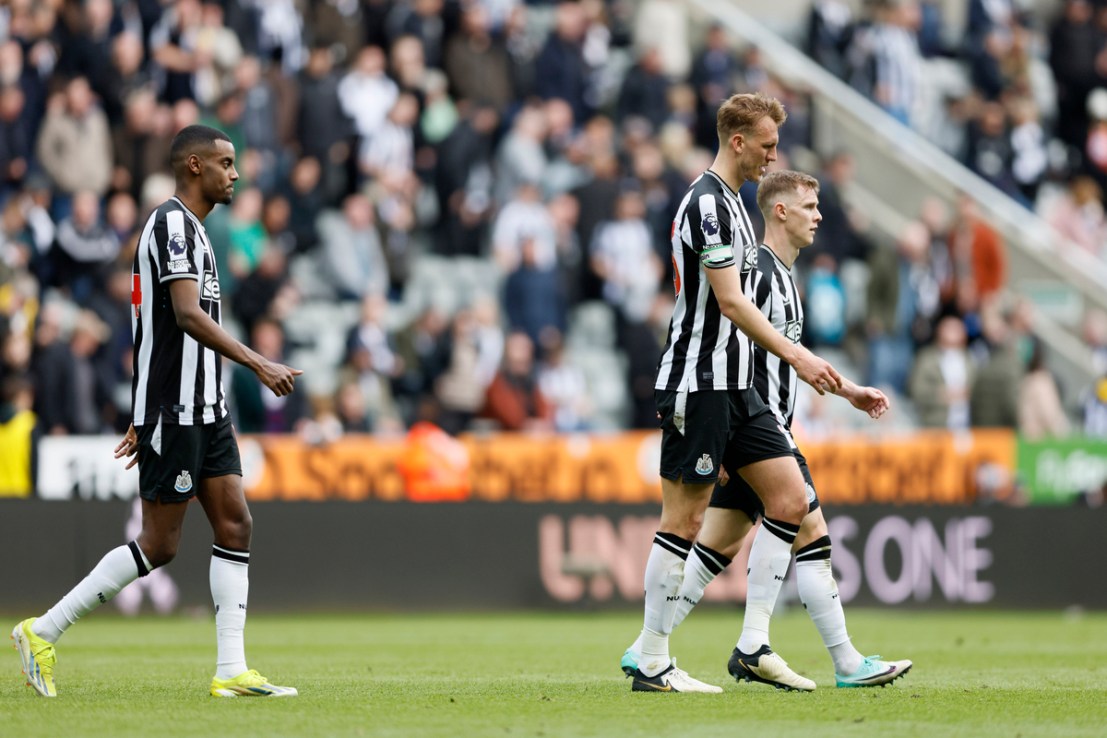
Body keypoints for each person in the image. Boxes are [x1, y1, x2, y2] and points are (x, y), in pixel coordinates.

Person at [12, 125, 301, 699]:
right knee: (159, 543)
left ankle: (231, 669)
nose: (235, 174)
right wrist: (257, 363)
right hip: (176, 411)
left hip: (206, 407)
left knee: (236, 523)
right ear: (194, 166)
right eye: (225, 163)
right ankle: (42, 630)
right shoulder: (170, 224)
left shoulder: (197, 231)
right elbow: (186, 315)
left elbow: (157, 329)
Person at [623, 170, 912, 691]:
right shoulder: (754, 271)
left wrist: (849, 391)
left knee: (720, 542)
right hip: (754, 423)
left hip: (753, 424)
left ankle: (648, 647)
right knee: (806, 525)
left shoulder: (783, 275)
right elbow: (730, 342)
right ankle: (825, 658)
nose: (819, 216)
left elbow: (792, 356)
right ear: (780, 211)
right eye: (809, 206)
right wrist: (731, 434)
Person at [624, 93, 843, 694]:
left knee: (790, 498)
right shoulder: (708, 205)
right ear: (738, 142)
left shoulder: (737, 207)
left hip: (738, 387)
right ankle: (652, 662)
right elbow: (730, 301)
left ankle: (752, 644)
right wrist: (798, 355)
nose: (774, 156)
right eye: (767, 145)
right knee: (686, 518)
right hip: (699, 381)